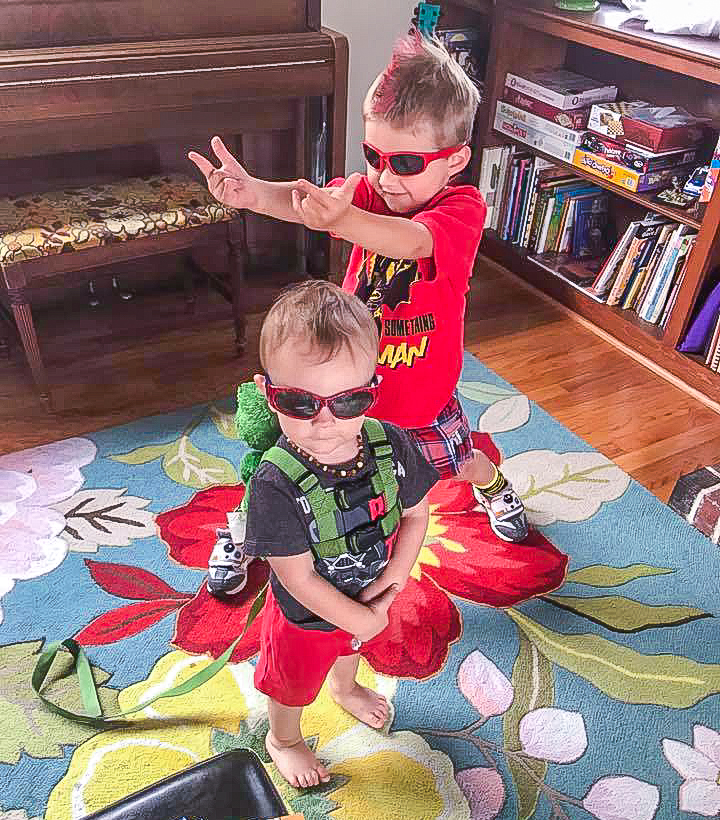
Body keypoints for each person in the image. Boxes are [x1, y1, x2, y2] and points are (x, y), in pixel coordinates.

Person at [189, 30, 528, 599]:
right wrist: (254, 195)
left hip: (419, 401)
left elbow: (410, 242)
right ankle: (245, 530)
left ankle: (495, 488)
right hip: (336, 395)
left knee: (457, 463)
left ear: (458, 160)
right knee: (278, 470)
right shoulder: (368, 195)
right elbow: (304, 202)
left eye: (407, 161)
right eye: (373, 156)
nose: (386, 176)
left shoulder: (462, 209)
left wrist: (338, 221)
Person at [240, 281, 438, 787]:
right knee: (291, 683)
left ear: (373, 387)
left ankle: (345, 690)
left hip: (370, 593)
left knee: (347, 651)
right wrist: (363, 618)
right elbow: (299, 577)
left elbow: (416, 514)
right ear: (268, 394)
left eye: (349, 401)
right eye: (300, 404)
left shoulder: (392, 444)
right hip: (304, 617)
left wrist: (390, 584)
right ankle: (282, 739)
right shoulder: (275, 483)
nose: (326, 421)